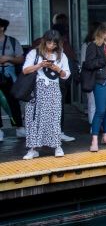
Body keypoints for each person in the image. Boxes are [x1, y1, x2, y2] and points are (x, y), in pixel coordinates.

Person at [21, 29, 70, 159]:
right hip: (36, 89)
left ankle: (57, 146)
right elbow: (25, 70)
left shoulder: (61, 55)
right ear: (44, 41)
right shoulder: (34, 53)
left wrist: (58, 69)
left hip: (53, 89)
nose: (51, 46)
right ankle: (33, 148)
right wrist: (39, 65)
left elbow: (66, 75)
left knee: (54, 117)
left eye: (54, 44)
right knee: (34, 118)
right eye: (49, 43)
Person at [83, 22, 106, 152]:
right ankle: (94, 140)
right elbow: (89, 64)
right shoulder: (93, 46)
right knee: (100, 110)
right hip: (101, 81)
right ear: (101, 33)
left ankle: (105, 137)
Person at [0, 17, 25, 141]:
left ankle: (19, 127)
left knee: (13, 102)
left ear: (2, 28)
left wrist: (8, 59)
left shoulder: (13, 42)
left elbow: (21, 59)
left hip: (9, 76)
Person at [80, 21, 100, 125]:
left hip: (99, 76)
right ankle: (93, 126)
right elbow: (84, 62)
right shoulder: (87, 45)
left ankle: (97, 125)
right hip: (90, 76)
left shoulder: (101, 45)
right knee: (92, 102)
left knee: (98, 103)